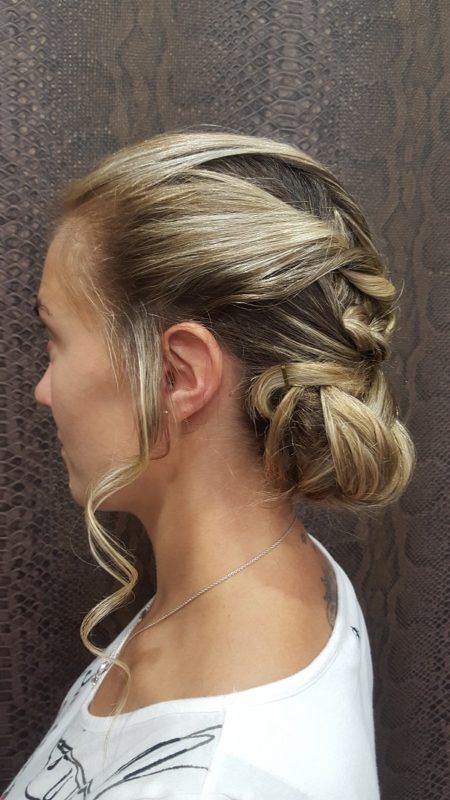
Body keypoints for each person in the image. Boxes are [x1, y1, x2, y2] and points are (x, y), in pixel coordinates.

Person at [5, 130, 415, 799]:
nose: (41, 390)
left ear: (175, 375)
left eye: (55, 339)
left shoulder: (222, 779)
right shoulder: (279, 573)